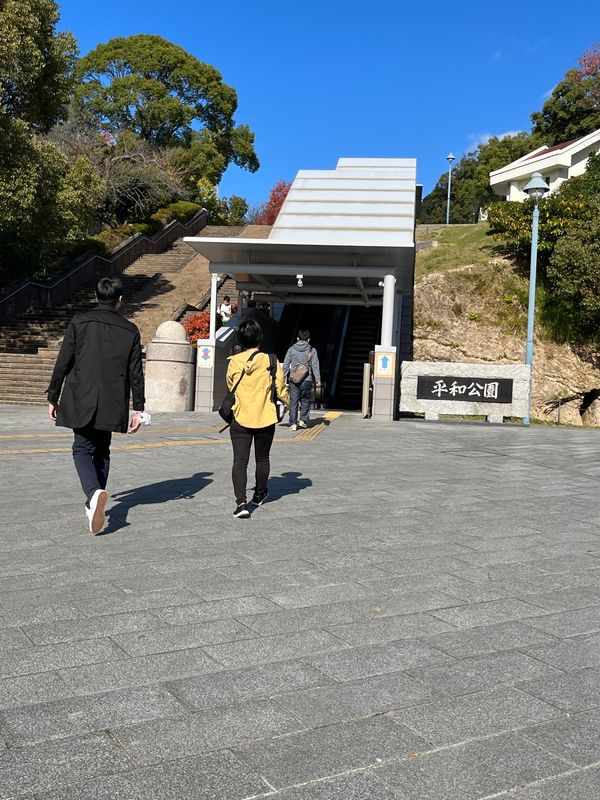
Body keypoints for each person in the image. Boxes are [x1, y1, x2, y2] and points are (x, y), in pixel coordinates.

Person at [46, 277, 145, 534]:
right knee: (102, 450)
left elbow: (64, 360)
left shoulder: (79, 322)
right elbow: (136, 373)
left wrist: (53, 395)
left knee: (81, 449)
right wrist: (139, 408)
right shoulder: (130, 329)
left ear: (96, 295)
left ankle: (93, 495)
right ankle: (94, 501)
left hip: (82, 395)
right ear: (120, 300)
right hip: (113, 399)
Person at [226, 318, 289, 519]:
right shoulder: (271, 361)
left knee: (240, 461)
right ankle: (260, 494)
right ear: (260, 338)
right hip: (265, 417)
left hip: (240, 418)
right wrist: (286, 402)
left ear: (240, 339)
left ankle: (241, 504)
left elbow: (230, 387)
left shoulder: (234, 362)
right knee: (262, 458)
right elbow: (280, 389)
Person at [283, 329, 321, 431]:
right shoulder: (312, 350)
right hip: (307, 379)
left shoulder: (291, 349)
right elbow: (315, 366)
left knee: (294, 401)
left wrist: (282, 377)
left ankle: (293, 424)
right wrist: (318, 379)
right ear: (308, 339)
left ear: (297, 338)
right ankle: (303, 420)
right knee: (305, 400)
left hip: (294, 379)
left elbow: (286, 364)